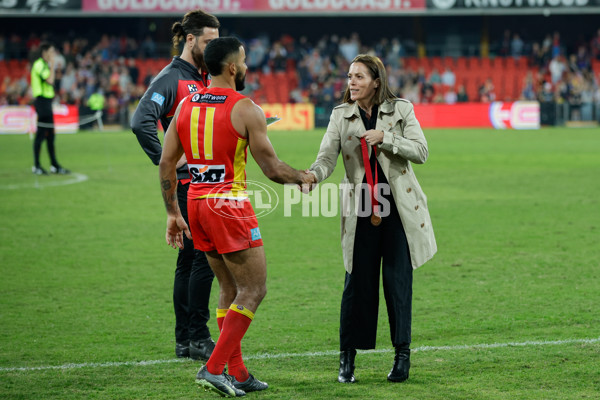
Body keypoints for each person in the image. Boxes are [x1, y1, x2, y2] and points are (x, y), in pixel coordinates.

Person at [159, 36, 313, 397]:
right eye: (243, 61)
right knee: (254, 289)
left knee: (229, 287)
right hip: (228, 205)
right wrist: (303, 177)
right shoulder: (244, 108)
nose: (246, 66)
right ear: (232, 68)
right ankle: (213, 368)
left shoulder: (185, 106)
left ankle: (238, 372)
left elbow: (167, 163)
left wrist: (172, 213)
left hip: (196, 204)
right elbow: (272, 168)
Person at [306, 54, 437, 384]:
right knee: (356, 285)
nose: (351, 82)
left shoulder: (401, 109)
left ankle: (402, 357)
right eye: (349, 76)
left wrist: (386, 138)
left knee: (397, 284)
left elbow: (421, 151)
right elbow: (325, 159)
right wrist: (311, 177)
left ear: (376, 81)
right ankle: (346, 359)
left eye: (359, 77)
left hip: (398, 208)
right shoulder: (340, 115)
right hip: (361, 207)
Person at [131, 9, 220, 360]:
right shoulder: (172, 78)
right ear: (190, 39)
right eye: (209, 42)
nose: (214, 48)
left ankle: (185, 340)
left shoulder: (201, 77)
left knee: (188, 262)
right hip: (187, 185)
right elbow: (141, 122)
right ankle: (198, 336)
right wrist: (168, 159)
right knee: (203, 260)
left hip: (199, 182)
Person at [30, 42, 69, 175]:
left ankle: (54, 165)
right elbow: (50, 80)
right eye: (51, 52)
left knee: (51, 136)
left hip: (47, 103)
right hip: (41, 102)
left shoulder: (44, 65)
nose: (53, 55)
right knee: (41, 135)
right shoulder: (39, 64)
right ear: (45, 52)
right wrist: (52, 64)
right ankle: (36, 166)